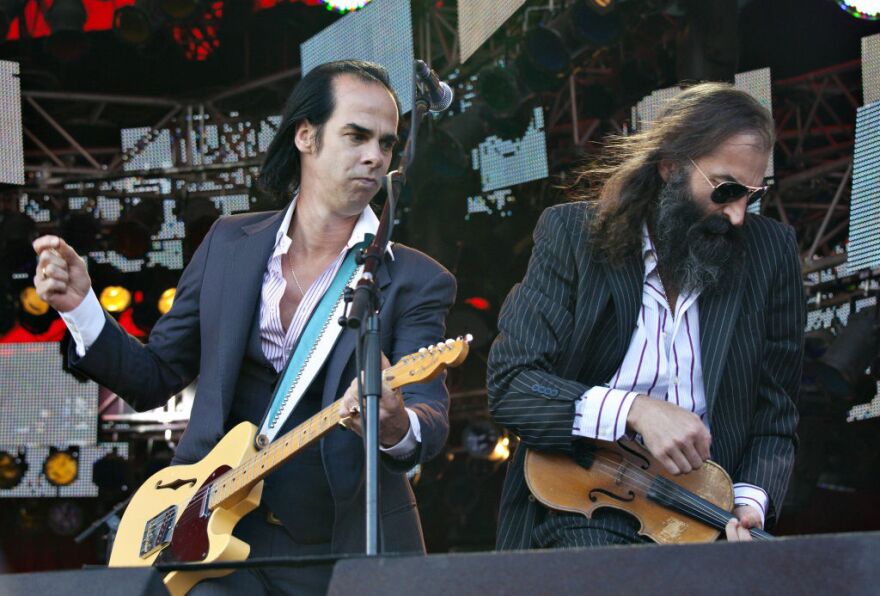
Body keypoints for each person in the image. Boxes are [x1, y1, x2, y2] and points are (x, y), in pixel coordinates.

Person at [32, 60, 456, 594]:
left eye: (387, 143)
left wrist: (396, 426)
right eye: (356, 135)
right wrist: (82, 307)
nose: (375, 156)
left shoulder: (415, 278)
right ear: (306, 135)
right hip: (211, 532)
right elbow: (155, 376)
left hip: (336, 547)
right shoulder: (227, 244)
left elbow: (427, 414)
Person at [487, 82, 804, 550]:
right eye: (726, 190)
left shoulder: (771, 251)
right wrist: (634, 410)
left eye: (751, 196)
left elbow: (775, 413)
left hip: (704, 517)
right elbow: (513, 384)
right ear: (670, 167)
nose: (737, 215)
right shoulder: (571, 235)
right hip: (584, 508)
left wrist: (750, 501)